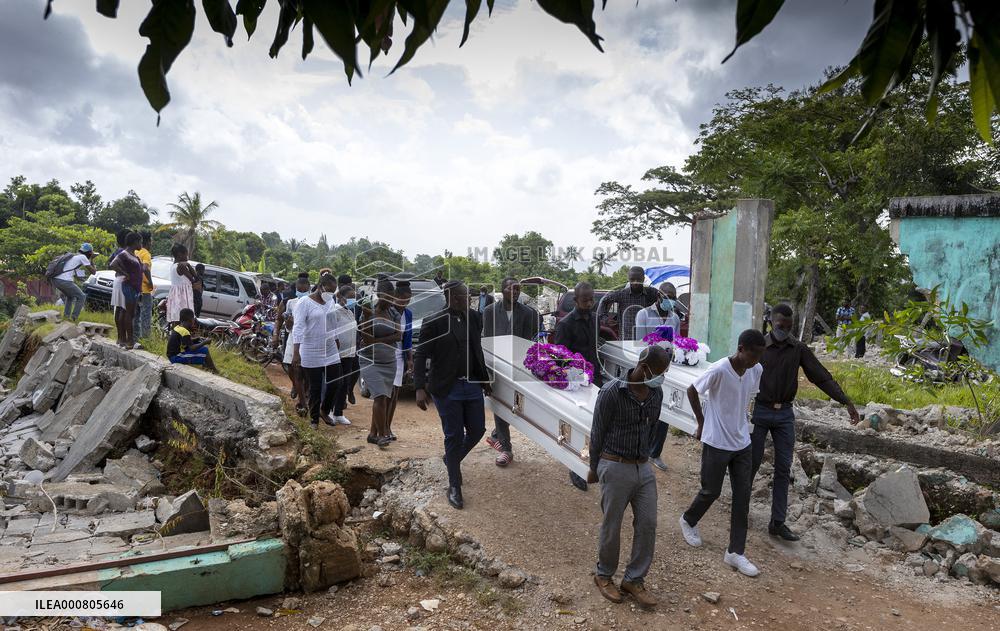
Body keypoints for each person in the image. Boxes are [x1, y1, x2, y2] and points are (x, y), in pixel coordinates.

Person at [750, 304, 860, 541]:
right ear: (770, 323)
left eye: (789, 328)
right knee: (751, 464)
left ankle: (777, 522)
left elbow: (820, 376)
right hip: (759, 411)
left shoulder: (798, 349)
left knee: (783, 468)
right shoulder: (759, 347)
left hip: (784, 415)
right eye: (781, 326)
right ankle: (740, 512)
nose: (784, 331)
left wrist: (845, 401)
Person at [679, 329, 767, 578]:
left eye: (760, 356)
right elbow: (692, 390)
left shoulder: (756, 370)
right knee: (711, 491)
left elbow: (747, 397)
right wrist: (701, 422)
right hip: (716, 441)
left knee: (743, 497)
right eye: (753, 355)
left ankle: (735, 552)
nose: (756, 361)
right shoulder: (719, 370)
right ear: (741, 349)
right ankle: (688, 519)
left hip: (742, 443)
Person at [588, 345, 669, 608]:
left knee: (648, 523)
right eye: (658, 372)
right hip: (615, 464)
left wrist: (645, 459)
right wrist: (594, 467)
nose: (661, 377)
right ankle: (604, 575)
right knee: (612, 524)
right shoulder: (612, 393)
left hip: (643, 467)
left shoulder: (656, 393)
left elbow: (652, 428)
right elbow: (597, 432)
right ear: (643, 367)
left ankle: (634, 579)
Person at [414, 281, 491, 510]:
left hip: (472, 385)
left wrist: (485, 381)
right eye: (464, 295)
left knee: (478, 430)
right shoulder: (434, 321)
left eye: (468, 295)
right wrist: (419, 387)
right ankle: (455, 485)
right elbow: (420, 355)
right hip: (447, 388)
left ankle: (452, 459)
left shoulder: (475, 318)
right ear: (452, 296)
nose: (468, 299)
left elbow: (476, 351)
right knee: (454, 435)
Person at [482, 277, 541, 466]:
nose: (514, 292)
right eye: (510, 288)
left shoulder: (529, 313)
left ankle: (498, 433)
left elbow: (533, 342)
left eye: (518, 289)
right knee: (500, 404)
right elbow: (487, 340)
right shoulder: (490, 311)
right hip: (498, 366)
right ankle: (506, 449)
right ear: (502, 290)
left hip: (519, 366)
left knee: (518, 404)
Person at [554, 281, 604, 491]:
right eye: (585, 300)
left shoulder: (594, 319)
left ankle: (593, 462)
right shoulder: (565, 324)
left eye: (592, 299)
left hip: (595, 377)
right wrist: (578, 380)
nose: (590, 303)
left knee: (597, 423)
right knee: (577, 424)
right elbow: (560, 358)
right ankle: (575, 467)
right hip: (577, 381)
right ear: (575, 300)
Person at [291, 273, 342, 428]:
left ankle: (325, 410)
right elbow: (298, 327)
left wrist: (336, 338)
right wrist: (296, 352)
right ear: (320, 287)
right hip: (310, 349)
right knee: (315, 386)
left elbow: (333, 322)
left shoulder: (330, 301)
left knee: (336, 381)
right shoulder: (304, 303)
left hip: (330, 347)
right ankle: (314, 419)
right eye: (329, 290)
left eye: (333, 291)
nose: (331, 293)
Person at [358, 278, 402, 446]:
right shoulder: (368, 311)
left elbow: (399, 336)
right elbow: (367, 340)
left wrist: (378, 339)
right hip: (370, 361)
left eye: (392, 297)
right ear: (379, 294)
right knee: (380, 396)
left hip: (389, 361)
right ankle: (383, 434)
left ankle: (372, 434)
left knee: (384, 398)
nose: (390, 300)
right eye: (387, 297)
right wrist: (384, 339)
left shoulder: (394, 313)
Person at [386, 280, 414, 441]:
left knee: (395, 393)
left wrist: (409, 359)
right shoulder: (387, 312)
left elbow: (407, 339)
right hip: (385, 356)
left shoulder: (408, 314)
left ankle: (388, 427)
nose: (405, 303)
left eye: (408, 300)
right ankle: (381, 427)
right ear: (395, 297)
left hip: (399, 357)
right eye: (403, 299)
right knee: (385, 395)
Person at [599, 266, 658, 341]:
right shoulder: (621, 294)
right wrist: (605, 319)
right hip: (626, 340)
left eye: (638, 279)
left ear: (643, 279)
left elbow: (666, 298)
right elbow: (604, 300)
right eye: (632, 279)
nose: (635, 282)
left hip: (646, 339)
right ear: (629, 279)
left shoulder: (651, 293)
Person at [109, 232, 144, 349]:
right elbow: (113, 264)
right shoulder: (125, 254)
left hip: (130, 286)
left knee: (124, 311)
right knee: (127, 312)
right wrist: (125, 274)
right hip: (126, 285)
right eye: (140, 242)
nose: (141, 244)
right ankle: (128, 340)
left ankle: (122, 339)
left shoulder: (133, 255)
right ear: (134, 242)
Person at [331, 283, 359, 425]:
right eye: (350, 297)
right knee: (336, 382)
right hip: (337, 354)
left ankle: (339, 413)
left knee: (345, 383)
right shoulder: (334, 311)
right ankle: (329, 410)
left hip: (349, 354)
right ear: (341, 297)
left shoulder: (350, 312)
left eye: (354, 297)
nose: (353, 300)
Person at [50, 243, 96, 321]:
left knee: (70, 296)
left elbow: (77, 274)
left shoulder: (75, 256)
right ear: (89, 253)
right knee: (82, 296)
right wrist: (92, 259)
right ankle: (74, 318)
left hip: (56, 280)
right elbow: (94, 272)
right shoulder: (83, 257)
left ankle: (66, 317)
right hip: (64, 281)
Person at [281, 284, 308, 416]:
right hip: (293, 338)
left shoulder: (311, 302)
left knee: (301, 370)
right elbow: (287, 325)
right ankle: (297, 387)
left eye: (304, 289)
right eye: (300, 289)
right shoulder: (291, 303)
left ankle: (302, 401)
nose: (302, 292)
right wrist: (289, 322)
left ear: (309, 288)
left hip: (307, 339)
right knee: (291, 368)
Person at [167, 308, 217, 372]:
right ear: (191, 320)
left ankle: (207, 368)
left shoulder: (178, 327)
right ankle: (213, 370)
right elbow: (192, 348)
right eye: (193, 319)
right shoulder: (185, 332)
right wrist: (205, 342)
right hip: (176, 358)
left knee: (200, 347)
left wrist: (197, 338)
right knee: (204, 350)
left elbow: (186, 341)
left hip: (172, 356)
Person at [338, 274, 362, 405]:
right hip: (338, 342)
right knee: (339, 372)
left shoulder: (356, 300)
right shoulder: (333, 300)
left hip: (354, 338)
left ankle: (350, 390)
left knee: (356, 367)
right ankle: (339, 400)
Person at [167, 244, 196, 324]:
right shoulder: (181, 266)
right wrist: (189, 265)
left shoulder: (173, 266)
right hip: (182, 296)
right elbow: (194, 278)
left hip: (176, 295)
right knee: (183, 320)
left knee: (176, 319)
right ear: (180, 255)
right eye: (186, 254)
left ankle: (175, 335)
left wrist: (187, 264)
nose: (187, 257)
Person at [133, 232, 154, 341]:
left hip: (135, 288)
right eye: (151, 241)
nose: (152, 243)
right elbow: (145, 268)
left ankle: (135, 338)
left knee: (135, 315)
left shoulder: (136, 251)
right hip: (145, 289)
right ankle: (145, 339)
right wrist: (150, 282)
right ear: (147, 242)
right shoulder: (146, 254)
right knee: (146, 315)